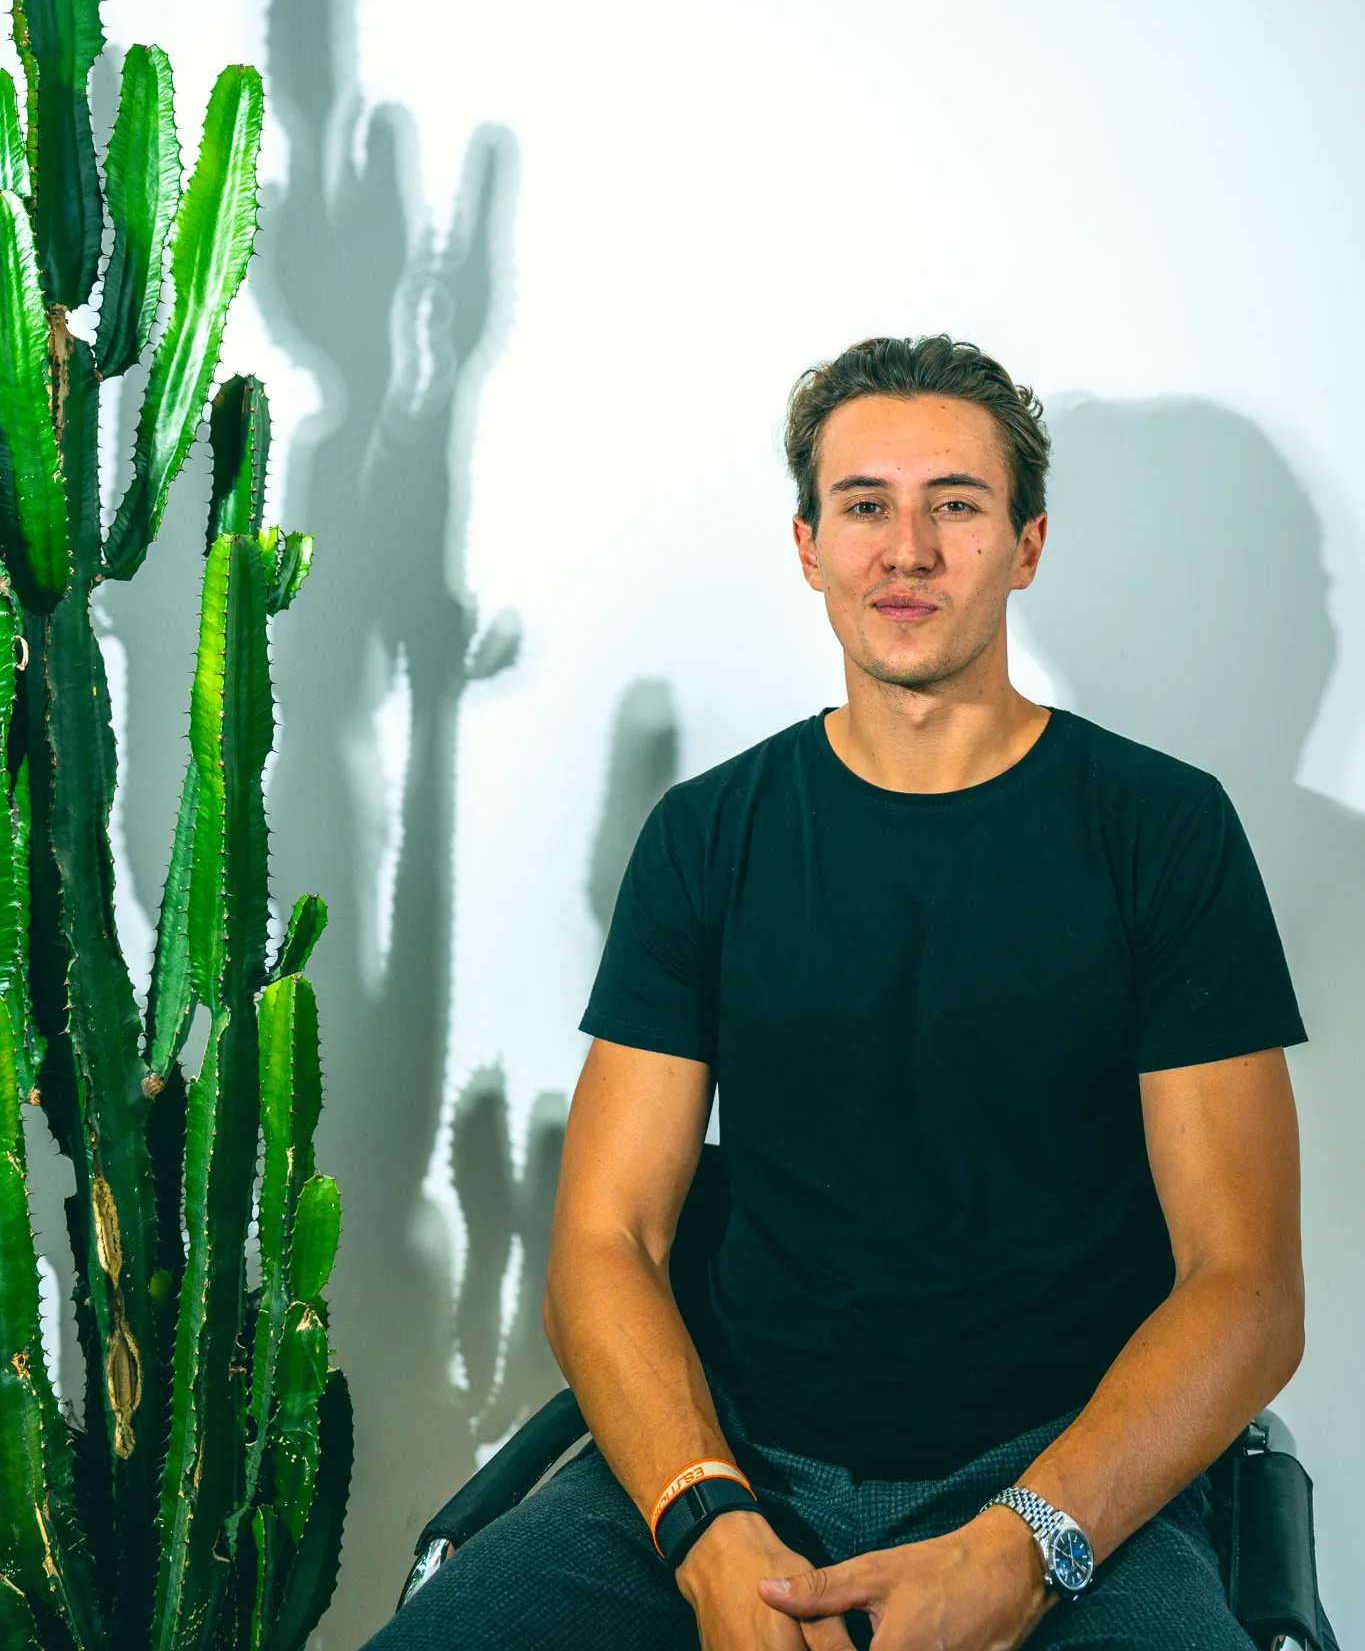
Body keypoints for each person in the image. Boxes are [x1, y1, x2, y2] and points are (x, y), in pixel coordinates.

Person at [371, 335, 1306, 1650]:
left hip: (1065, 1473)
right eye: (865, 505)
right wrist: (706, 1530)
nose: (908, 549)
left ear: (1029, 544)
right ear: (809, 545)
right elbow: (607, 1242)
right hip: (739, 1460)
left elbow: (1246, 1286)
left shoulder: (1161, 830)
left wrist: (1021, 1552)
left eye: (957, 506)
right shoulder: (712, 835)